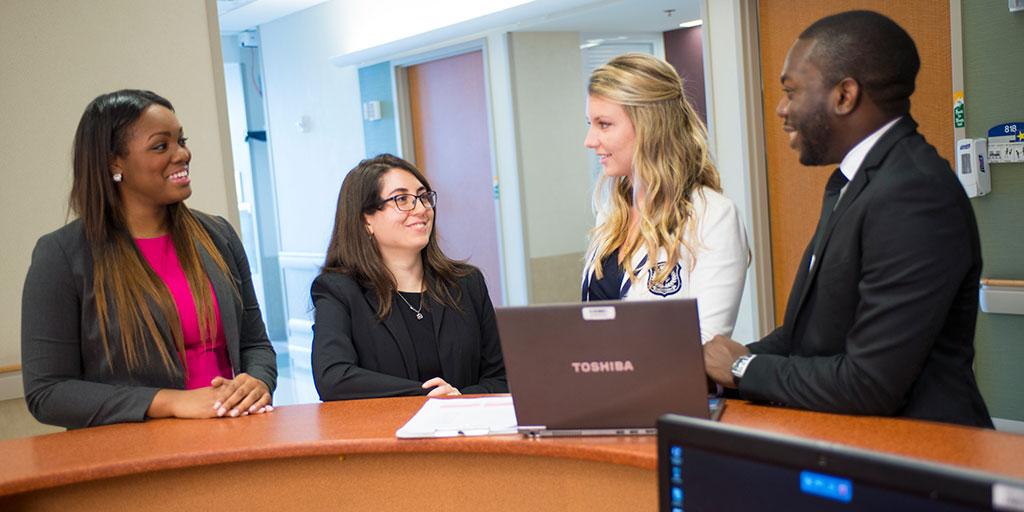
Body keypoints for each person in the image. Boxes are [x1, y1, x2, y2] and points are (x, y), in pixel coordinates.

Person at [703, 11, 993, 427]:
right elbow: (805, 339)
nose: (782, 109)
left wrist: (741, 368)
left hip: (923, 453)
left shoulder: (914, 193)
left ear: (844, 96)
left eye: (791, 91)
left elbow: (870, 382)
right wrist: (709, 369)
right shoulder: (856, 182)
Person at [22, 90, 277, 429]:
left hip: (232, 435)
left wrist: (257, 381)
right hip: (135, 451)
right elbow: (48, 392)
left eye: (181, 141)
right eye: (161, 146)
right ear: (114, 162)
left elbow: (255, 343)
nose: (182, 154)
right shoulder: (61, 255)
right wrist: (169, 402)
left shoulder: (218, 235)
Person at [582, 53, 749, 342]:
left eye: (604, 124)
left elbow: (707, 343)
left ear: (650, 125)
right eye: (590, 123)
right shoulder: (612, 212)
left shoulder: (712, 216)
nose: (589, 140)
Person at [311, 154, 506, 400]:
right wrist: (429, 395)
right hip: (389, 425)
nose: (422, 209)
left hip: (465, 423)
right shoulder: (338, 290)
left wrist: (459, 398)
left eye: (423, 197)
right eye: (402, 199)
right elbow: (333, 377)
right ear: (366, 219)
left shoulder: (466, 283)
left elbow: (501, 379)